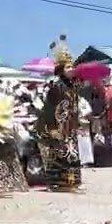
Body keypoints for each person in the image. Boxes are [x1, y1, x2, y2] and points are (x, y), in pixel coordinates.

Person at [34, 36, 83, 191]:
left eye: (72, 67)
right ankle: (58, 182)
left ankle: (71, 181)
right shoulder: (56, 87)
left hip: (70, 128)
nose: (71, 69)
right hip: (58, 127)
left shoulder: (73, 87)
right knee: (59, 154)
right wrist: (52, 127)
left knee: (72, 153)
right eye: (68, 67)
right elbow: (49, 109)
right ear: (61, 69)